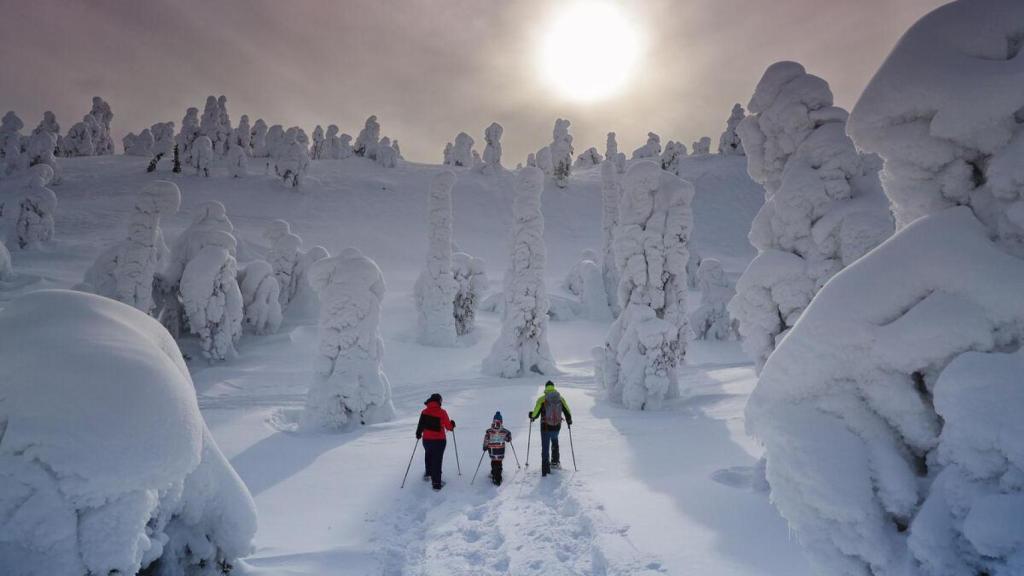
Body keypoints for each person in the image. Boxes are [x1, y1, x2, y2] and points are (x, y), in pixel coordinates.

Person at [528, 381, 572, 477]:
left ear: (546, 388)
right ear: (553, 387)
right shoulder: (560, 398)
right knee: (555, 442)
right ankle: (555, 462)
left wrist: (532, 416)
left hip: (545, 427)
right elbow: (567, 410)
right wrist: (569, 420)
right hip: (556, 427)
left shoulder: (542, 399)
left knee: (545, 447)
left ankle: (545, 469)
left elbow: (535, 414)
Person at [416, 393, 455, 491]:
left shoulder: (424, 411)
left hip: (426, 440)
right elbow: (448, 427)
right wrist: (452, 425)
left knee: (428, 455)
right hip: (439, 441)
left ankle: (428, 474)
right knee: (437, 460)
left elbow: (420, 425)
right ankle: (436, 484)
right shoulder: (442, 412)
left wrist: (418, 433)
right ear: (439, 401)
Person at [482, 412, 512, 486]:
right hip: (500, 452)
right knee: (499, 463)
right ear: (501, 422)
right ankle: (498, 476)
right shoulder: (504, 431)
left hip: (492, 452)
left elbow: (486, 440)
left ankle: (494, 475)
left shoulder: (489, 431)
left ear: (493, 421)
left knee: (493, 462)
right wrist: (509, 437)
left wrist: (485, 446)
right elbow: (508, 439)